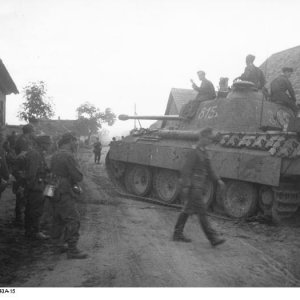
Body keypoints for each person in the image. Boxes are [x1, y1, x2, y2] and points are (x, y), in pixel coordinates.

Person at [173, 127, 226, 247]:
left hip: (199, 186)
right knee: (202, 212)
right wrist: (186, 186)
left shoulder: (204, 152)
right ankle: (212, 238)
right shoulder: (194, 151)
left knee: (187, 210)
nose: (210, 141)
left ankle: (177, 234)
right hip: (194, 187)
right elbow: (186, 170)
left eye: (211, 139)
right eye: (208, 138)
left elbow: (210, 169)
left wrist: (218, 180)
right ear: (202, 138)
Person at [50, 132, 87, 259]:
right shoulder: (68, 156)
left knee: (58, 218)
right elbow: (78, 176)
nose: (76, 143)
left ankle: (57, 245)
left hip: (54, 188)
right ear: (70, 141)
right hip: (64, 190)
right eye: (75, 141)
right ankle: (72, 249)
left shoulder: (55, 154)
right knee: (73, 219)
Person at [24, 135, 51, 240]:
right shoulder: (35, 154)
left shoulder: (38, 153)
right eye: (48, 144)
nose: (49, 146)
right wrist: (32, 187)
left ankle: (31, 231)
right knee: (36, 210)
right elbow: (31, 173)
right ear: (42, 144)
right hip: (36, 186)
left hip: (37, 185)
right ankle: (35, 232)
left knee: (32, 209)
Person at [12, 124, 36, 226]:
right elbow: (24, 154)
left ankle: (19, 217)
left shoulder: (23, 139)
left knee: (21, 193)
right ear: (29, 131)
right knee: (21, 192)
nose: (34, 133)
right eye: (33, 131)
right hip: (21, 169)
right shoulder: (23, 141)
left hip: (21, 168)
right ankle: (19, 218)